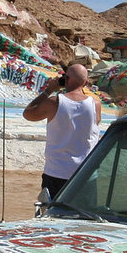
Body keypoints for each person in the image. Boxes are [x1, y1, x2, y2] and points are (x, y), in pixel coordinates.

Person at [22, 63, 102, 200]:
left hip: (57, 173)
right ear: (86, 82)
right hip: (85, 173)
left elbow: (28, 113)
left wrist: (49, 90)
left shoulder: (54, 102)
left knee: (53, 216)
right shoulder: (95, 105)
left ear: (66, 79)